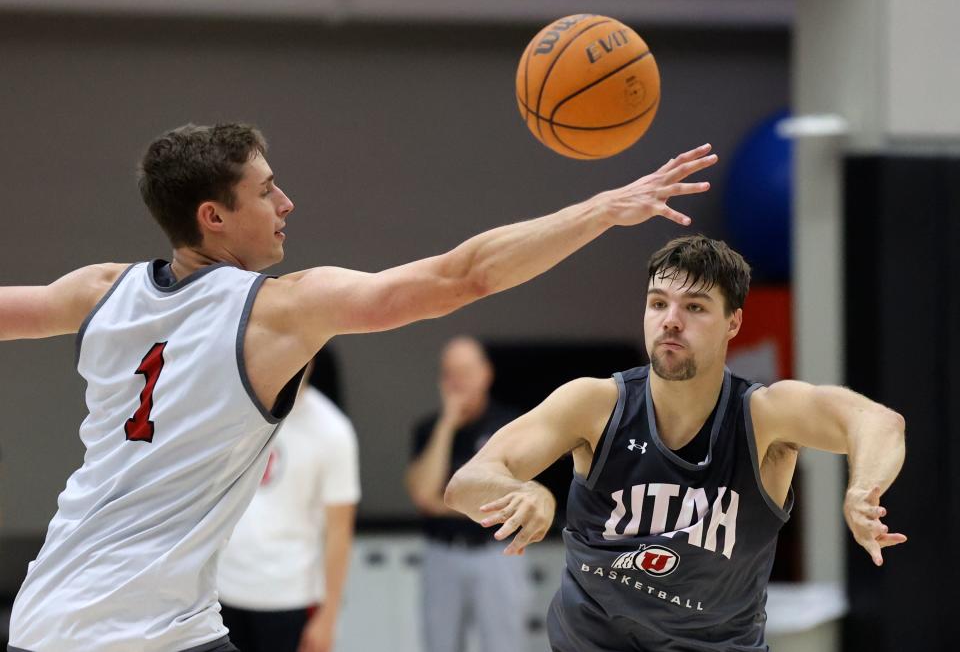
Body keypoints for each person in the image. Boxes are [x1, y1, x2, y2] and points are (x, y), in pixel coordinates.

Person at [0, 123, 715, 652]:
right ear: (212, 218)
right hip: (125, 631)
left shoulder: (98, 289)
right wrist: (602, 210)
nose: (286, 201)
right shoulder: (274, 309)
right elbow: (460, 277)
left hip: (74, 613)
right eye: (265, 189)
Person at [444, 235, 907, 652]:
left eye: (695, 307)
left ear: (733, 322)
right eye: (658, 303)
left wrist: (862, 489)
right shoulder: (594, 403)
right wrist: (520, 491)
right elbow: (467, 481)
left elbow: (878, 422)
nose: (670, 321)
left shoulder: (764, 415)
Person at [217, 351, 360, 652]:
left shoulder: (333, 430)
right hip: (222, 593)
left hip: (290, 597)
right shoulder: (232, 413)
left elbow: (339, 531)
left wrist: (328, 616)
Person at [406, 337, 528, 652]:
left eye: (465, 371)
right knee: (439, 644)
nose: (457, 381)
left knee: (504, 644)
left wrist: (443, 502)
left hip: (496, 553)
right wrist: (447, 424)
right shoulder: (428, 429)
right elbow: (422, 494)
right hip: (442, 554)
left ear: (486, 373)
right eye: (449, 373)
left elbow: (506, 498)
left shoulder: (509, 425)